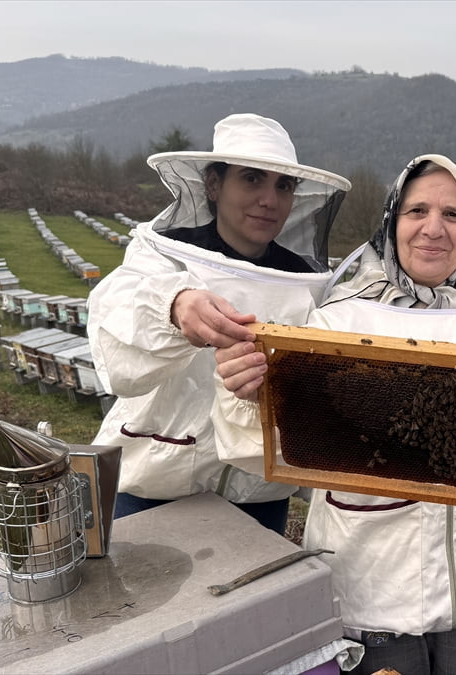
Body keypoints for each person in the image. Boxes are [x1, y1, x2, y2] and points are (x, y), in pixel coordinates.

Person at [213, 155, 456, 675]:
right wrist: (247, 395)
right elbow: (267, 449)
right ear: (393, 220)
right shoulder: (336, 322)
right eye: (417, 211)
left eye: (452, 215)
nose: (433, 228)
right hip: (369, 592)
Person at [86, 113, 351, 534]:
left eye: (283, 186)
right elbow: (115, 321)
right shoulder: (164, 255)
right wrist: (174, 306)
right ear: (213, 185)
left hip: (259, 495)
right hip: (156, 485)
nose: (270, 199)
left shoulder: (306, 282)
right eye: (252, 179)